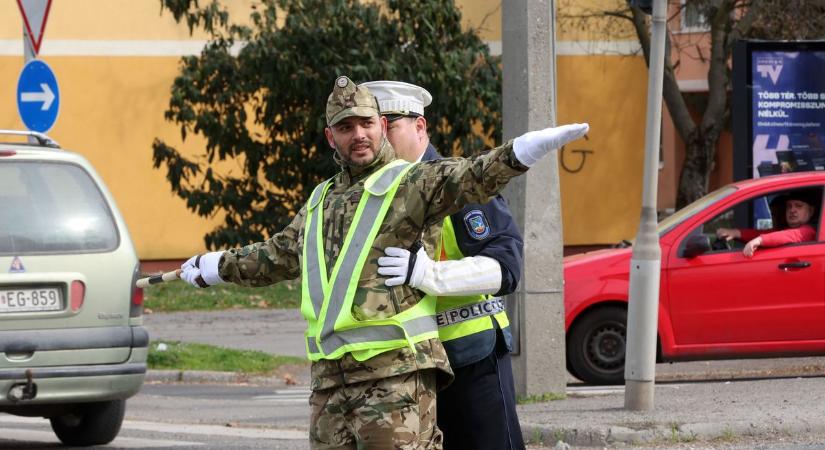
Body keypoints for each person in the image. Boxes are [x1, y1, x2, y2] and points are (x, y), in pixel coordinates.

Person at [179, 75, 589, 449]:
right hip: (342, 378)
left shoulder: (425, 182)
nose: (364, 135)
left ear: (413, 126)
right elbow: (279, 254)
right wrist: (217, 266)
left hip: (457, 358)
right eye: (347, 126)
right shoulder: (326, 198)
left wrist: (522, 152)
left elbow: (491, 219)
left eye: (376, 124)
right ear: (331, 137)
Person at [362, 80, 525, 450]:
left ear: (420, 126)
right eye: (374, 127)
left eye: (390, 126)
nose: (379, 138)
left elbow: (507, 266)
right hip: (407, 369)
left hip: (470, 358)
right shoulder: (374, 193)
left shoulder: (459, 182)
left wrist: (430, 275)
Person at [716, 190, 817, 258]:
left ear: (811, 211)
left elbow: (788, 235)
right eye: (789, 206)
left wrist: (760, 240)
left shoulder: (808, 231)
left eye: (798, 206)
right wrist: (736, 233)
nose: (792, 210)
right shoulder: (786, 229)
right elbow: (770, 233)